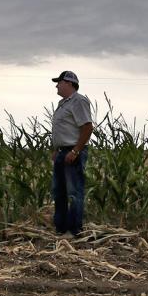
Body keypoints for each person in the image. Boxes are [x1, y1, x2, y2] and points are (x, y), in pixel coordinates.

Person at [50, 70, 94, 238]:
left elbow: (87, 127)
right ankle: (60, 229)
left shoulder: (78, 101)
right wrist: (57, 150)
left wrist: (75, 151)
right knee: (59, 191)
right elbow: (64, 129)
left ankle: (74, 230)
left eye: (59, 82)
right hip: (62, 152)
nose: (57, 85)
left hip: (73, 152)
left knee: (74, 192)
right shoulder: (63, 103)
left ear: (68, 83)